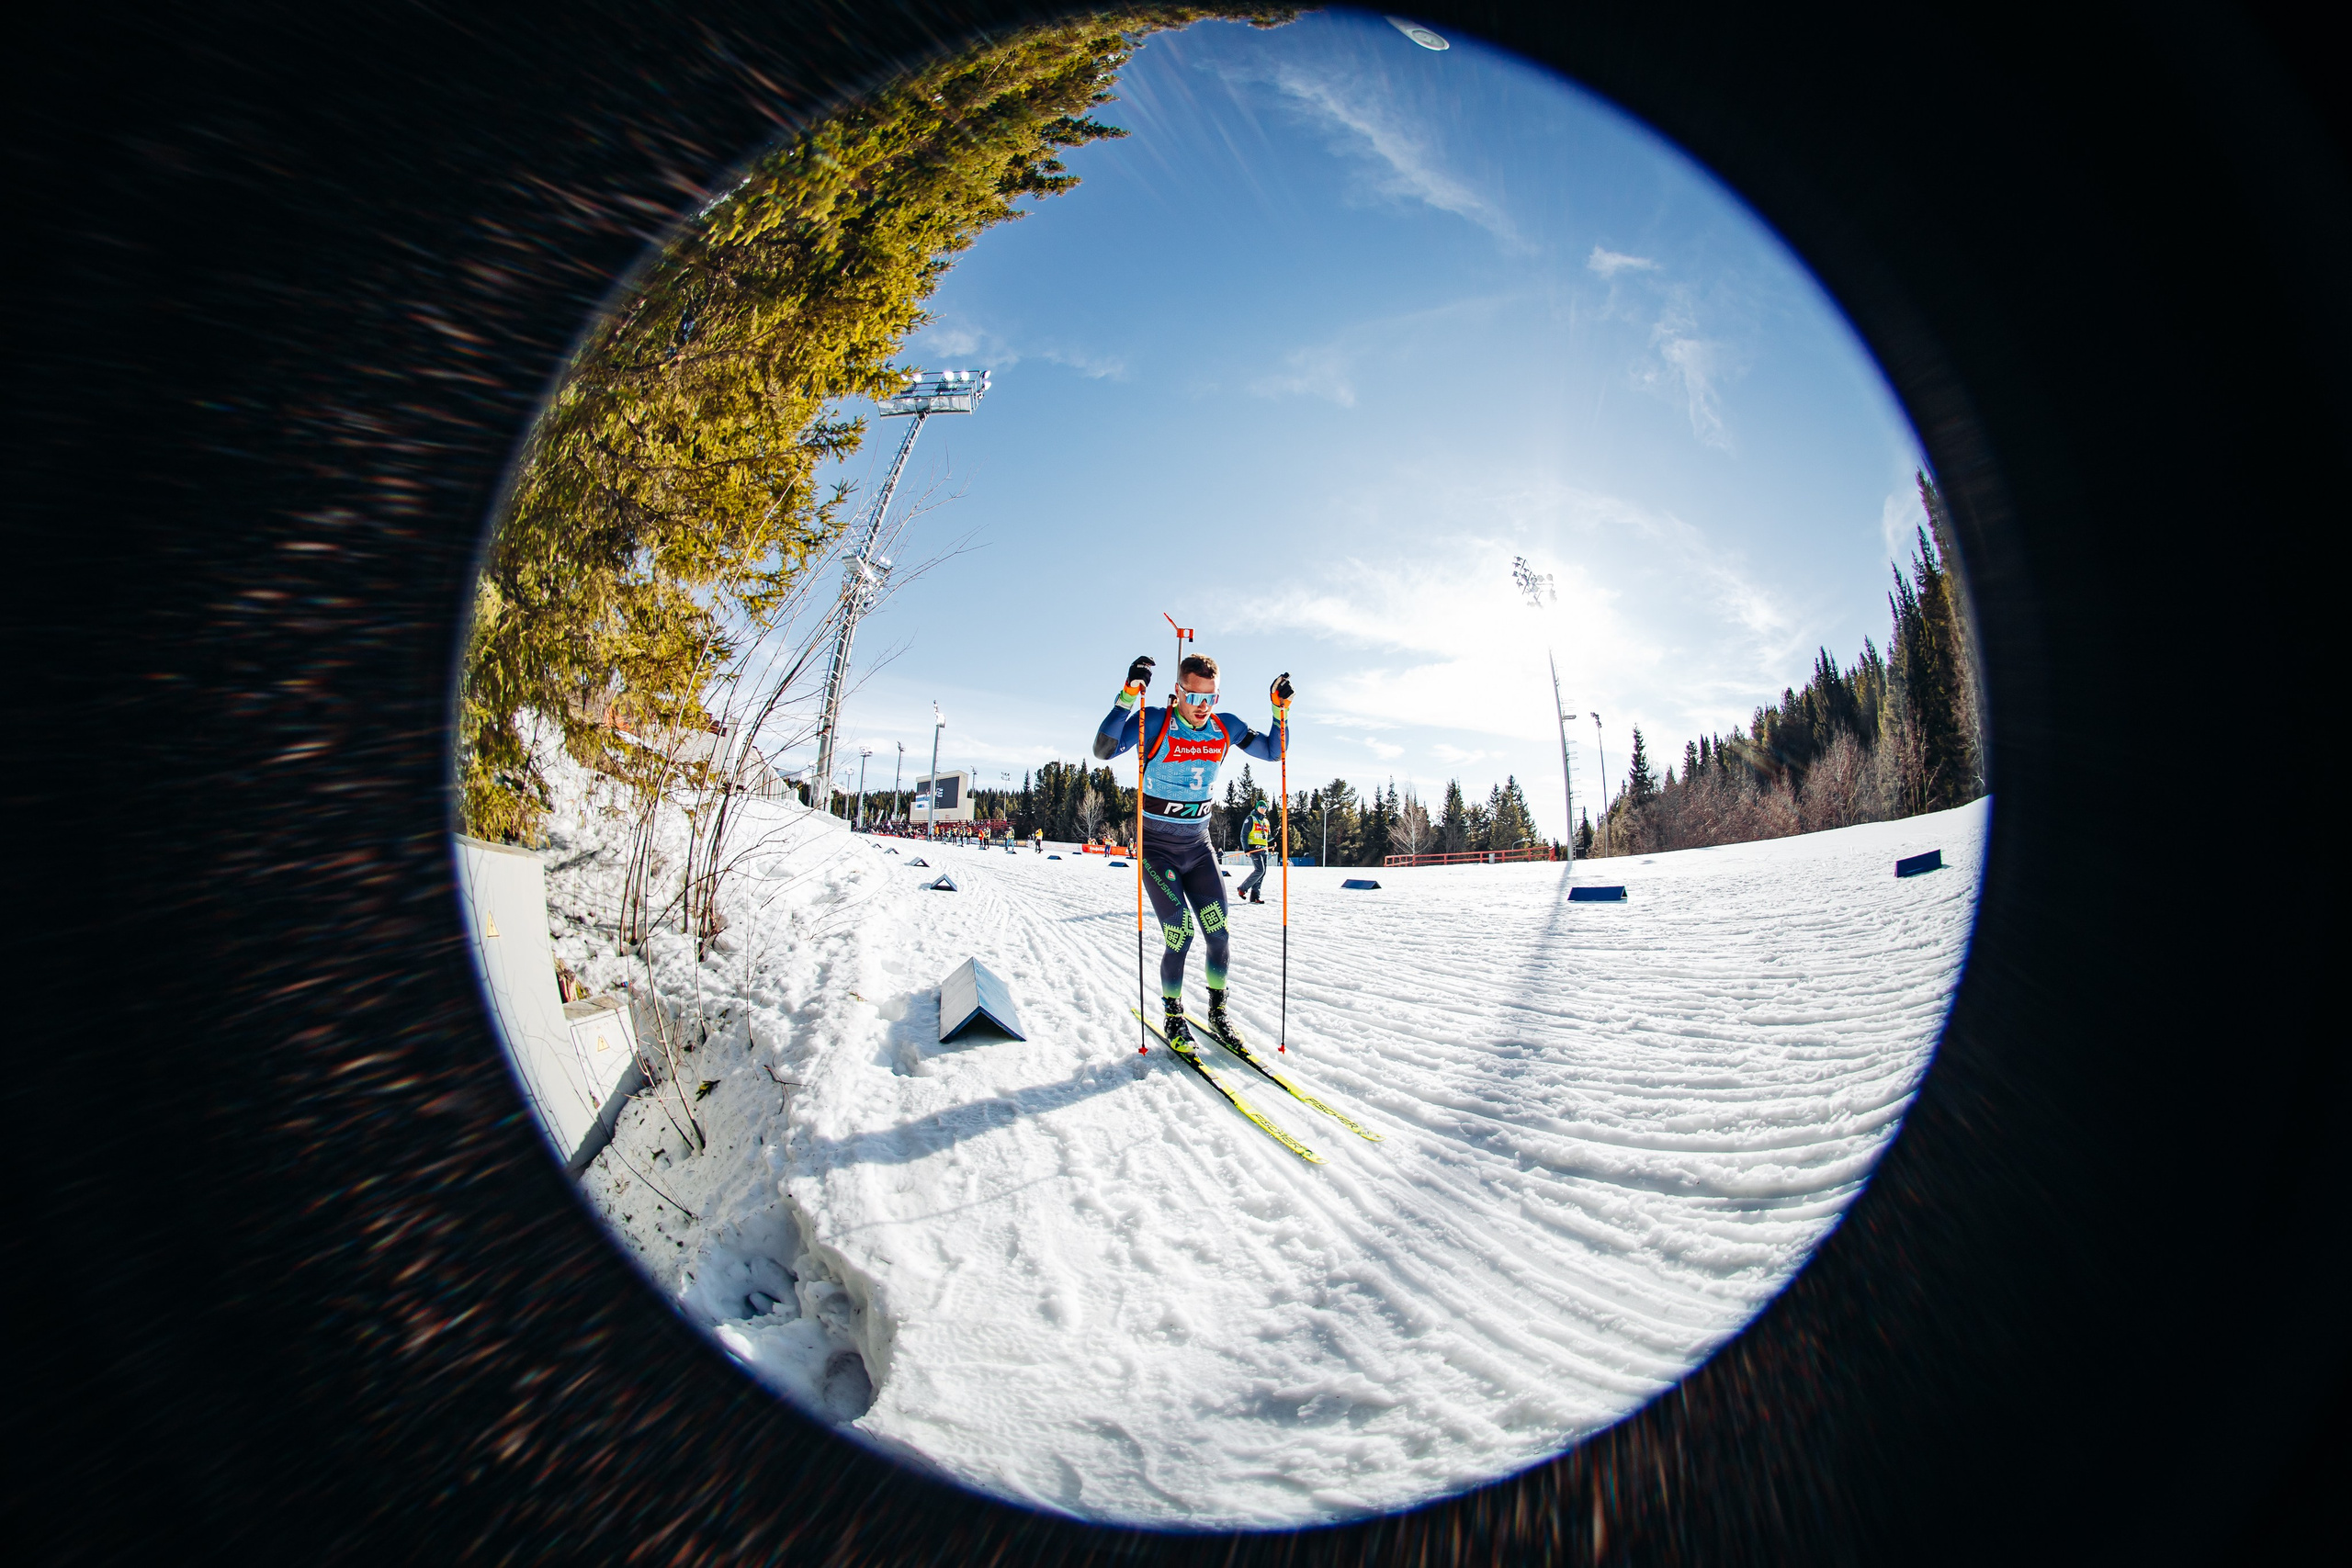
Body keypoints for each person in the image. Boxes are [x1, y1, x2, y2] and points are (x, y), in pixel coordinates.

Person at [1094, 652, 1291, 1048]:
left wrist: (1279, 710)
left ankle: (1218, 1014)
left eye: (1211, 698)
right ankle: (1173, 1016)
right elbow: (1104, 750)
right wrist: (1128, 694)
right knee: (1180, 934)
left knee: (1219, 935)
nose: (1203, 707)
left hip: (1199, 849)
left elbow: (1274, 752)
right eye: (1195, 696)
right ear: (1178, 691)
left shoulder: (1225, 726)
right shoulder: (1155, 722)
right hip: (1158, 851)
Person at [1235, 798, 1274, 904]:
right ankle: (1242, 888)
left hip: (1264, 849)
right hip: (1254, 848)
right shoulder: (1251, 819)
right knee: (1259, 870)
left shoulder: (1266, 821)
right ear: (1257, 807)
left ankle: (1255, 896)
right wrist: (1246, 849)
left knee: (1263, 873)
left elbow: (1267, 837)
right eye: (1262, 807)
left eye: (1265, 807)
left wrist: (1274, 835)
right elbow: (1244, 835)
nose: (1264, 809)